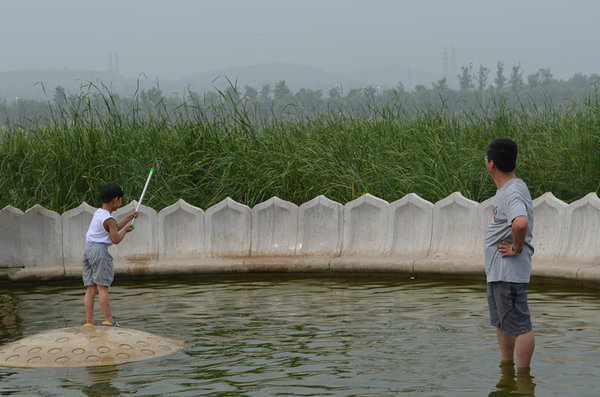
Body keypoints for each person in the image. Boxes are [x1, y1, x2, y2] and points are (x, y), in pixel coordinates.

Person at [484, 138, 535, 371]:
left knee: (520, 325)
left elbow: (520, 222)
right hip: (499, 273)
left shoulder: (513, 191)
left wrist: (516, 247)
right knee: (503, 322)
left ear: (491, 164)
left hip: (509, 273)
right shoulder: (507, 190)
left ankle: (524, 380)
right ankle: (506, 370)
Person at [82, 183, 137, 327]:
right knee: (102, 288)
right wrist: (126, 231)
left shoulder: (100, 213)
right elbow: (116, 239)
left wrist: (128, 218)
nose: (121, 202)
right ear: (115, 199)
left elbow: (113, 227)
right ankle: (109, 320)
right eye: (120, 199)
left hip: (88, 251)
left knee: (91, 288)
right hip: (100, 252)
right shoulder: (110, 219)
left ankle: (89, 322)